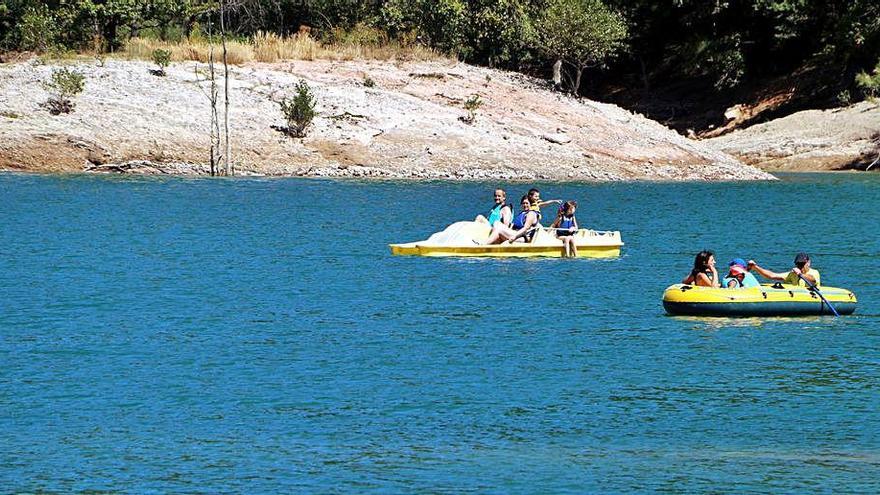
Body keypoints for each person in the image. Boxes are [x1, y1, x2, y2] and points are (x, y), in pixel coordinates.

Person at [748, 252, 821, 287]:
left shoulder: (814, 272)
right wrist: (756, 268)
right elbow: (772, 276)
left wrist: (800, 274)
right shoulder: (792, 274)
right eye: (798, 264)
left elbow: (812, 280)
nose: (800, 266)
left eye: (802, 264)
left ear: (808, 263)